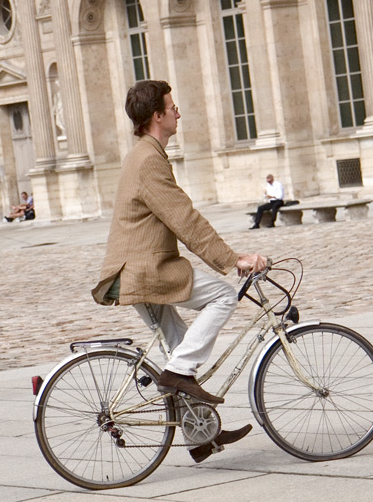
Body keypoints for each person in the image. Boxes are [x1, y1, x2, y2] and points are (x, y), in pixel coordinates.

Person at [91, 80, 267, 461]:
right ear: (156, 116)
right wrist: (232, 258)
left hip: (136, 270)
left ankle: (200, 434)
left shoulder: (143, 152)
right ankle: (179, 376)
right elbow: (184, 219)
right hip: (145, 271)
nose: (178, 112)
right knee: (221, 296)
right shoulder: (148, 160)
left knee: (177, 346)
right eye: (172, 107)